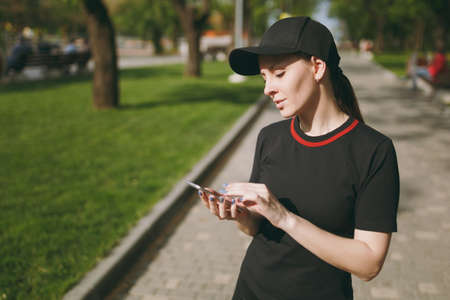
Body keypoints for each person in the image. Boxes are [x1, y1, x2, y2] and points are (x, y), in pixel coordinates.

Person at [197, 16, 399, 300]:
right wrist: (243, 216)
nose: (268, 89)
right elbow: (257, 228)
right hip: (250, 291)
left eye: (279, 74)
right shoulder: (270, 137)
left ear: (317, 68)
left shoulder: (374, 151)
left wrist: (284, 217)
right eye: (264, 77)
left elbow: (368, 264)